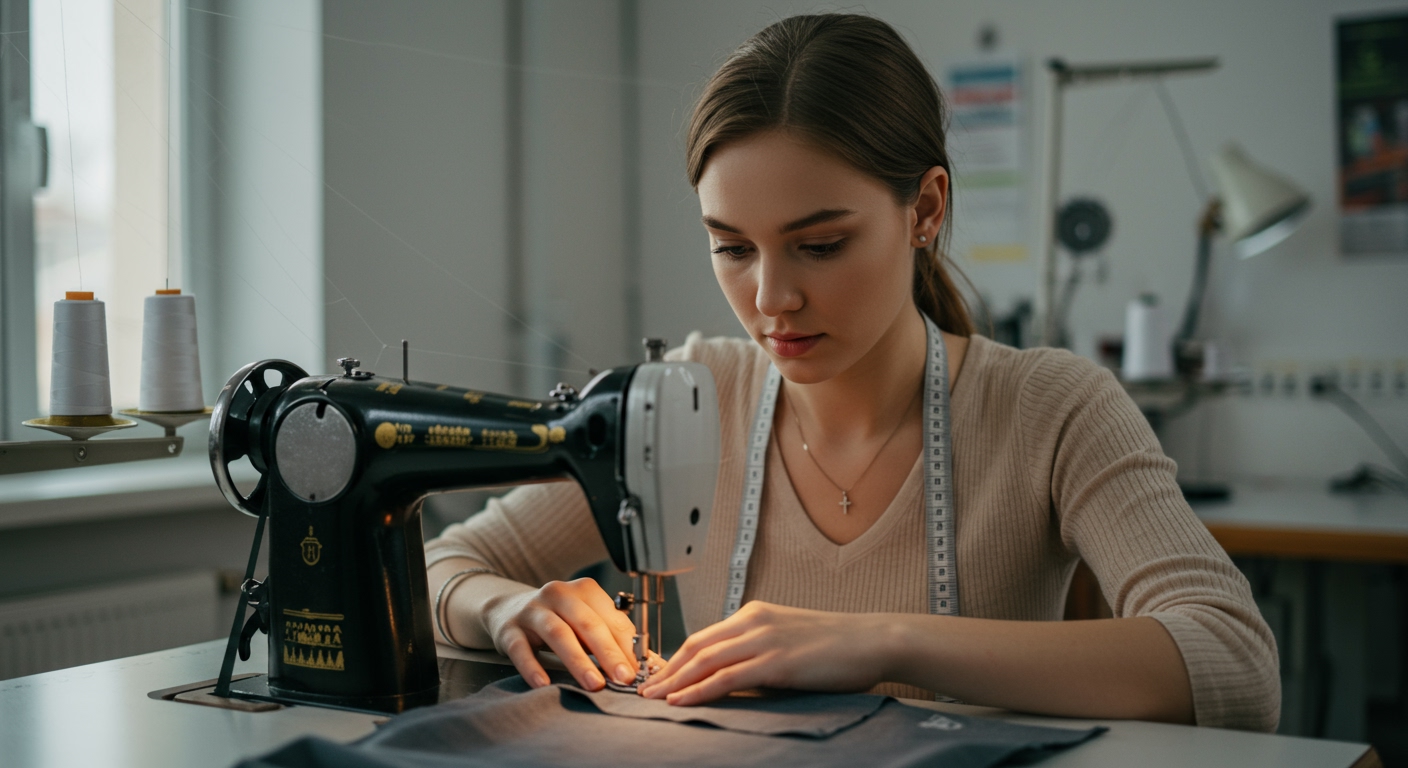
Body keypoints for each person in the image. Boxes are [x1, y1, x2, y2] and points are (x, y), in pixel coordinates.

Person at [426, 13, 1279, 732]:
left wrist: (883, 641)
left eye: (821, 245)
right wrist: (505, 608)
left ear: (926, 210)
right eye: (731, 247)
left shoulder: (1049, 408)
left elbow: (1236, 665)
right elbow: (444, 564)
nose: (771, 299)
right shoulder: (688, 397)